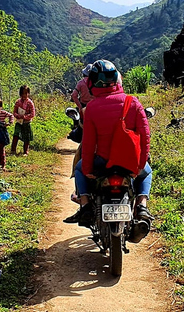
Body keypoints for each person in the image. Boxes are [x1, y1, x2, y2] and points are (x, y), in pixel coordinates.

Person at [64, 59, 154, 226]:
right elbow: (145, 136)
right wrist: (140, 164)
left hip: (102, 161)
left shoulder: (90, 108)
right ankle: (141, 205)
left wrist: (88, 168)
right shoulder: (133, 102)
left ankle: (85, 205)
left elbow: (89, 143)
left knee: (78, 168)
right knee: (147, 173)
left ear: (92, 82)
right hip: (129, 162)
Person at [11, 85, 35, 156]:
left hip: (27, 123)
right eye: (23, 93)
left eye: (26, 93)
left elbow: (32, 114)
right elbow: (14, 112)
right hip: (19, 122)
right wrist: (18, 116)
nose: (24, 95)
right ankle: (13, 150)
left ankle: (25, 151)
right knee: (16, 135)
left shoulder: (30, 103)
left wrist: (25, 117)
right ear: (20, 93)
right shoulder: (18, 102)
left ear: (28, 93)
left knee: (26, 138)